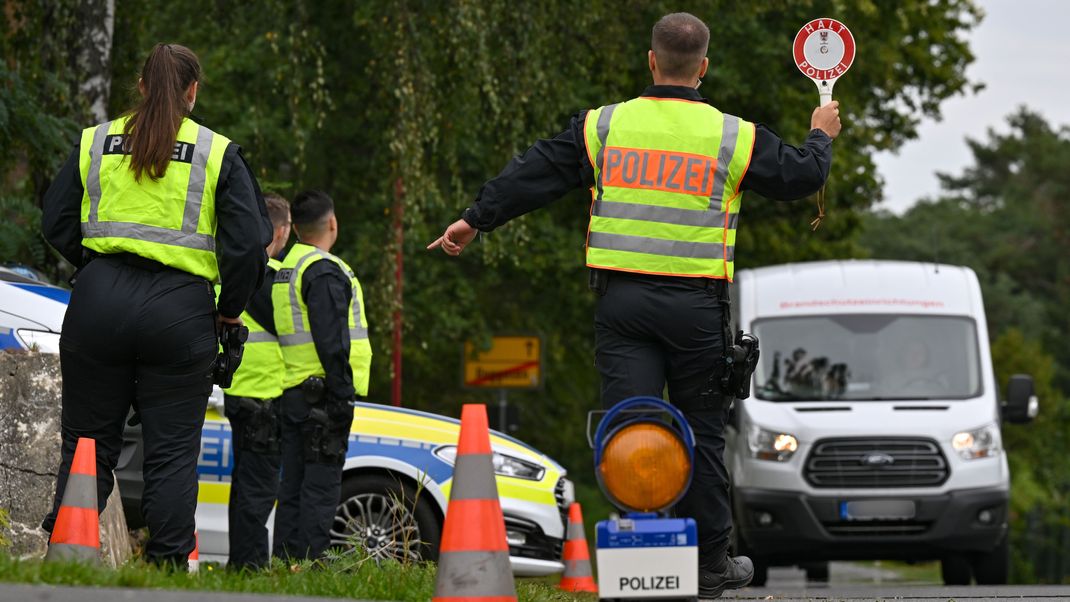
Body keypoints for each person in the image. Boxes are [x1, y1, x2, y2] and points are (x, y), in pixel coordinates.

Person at [428, 12, 840, 598]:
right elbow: (801, 176)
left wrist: (475, 218)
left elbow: (535, 172)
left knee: (632, 426)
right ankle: (710, 563)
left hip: (622, 305)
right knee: (700, 428)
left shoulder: (604, 127)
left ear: (651, 60)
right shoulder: (733, 136)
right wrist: (821, 131)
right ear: (703, 68)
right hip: (696, 308)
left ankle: (639, 546)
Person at [40, 43, 270, 566]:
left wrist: (99, 270)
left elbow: (54, 220)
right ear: (192, 92)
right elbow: (247, 247)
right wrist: (229, 312)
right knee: (171, 455)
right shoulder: (217, 153)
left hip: (98, 306)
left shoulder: (95, 142)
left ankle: (67, 560)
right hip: (180, 312)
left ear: (141, 86)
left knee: (85, 445)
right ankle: (166, 573)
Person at [271, 190, 372, 560]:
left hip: (294, 392)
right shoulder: (324, 270)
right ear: (332, 223)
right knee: (320, 486)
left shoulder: (286, 268)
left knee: (293, 486)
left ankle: (285, 565)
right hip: (324, 397)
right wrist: (342, 393)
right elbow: (332, 341)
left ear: (295, 228)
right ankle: (310, 566)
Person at [221, 193, 291, 570]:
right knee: (259, 489)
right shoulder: (276, 280)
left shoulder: (228, 272)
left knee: (244, 484)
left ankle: (239, 566)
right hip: (268, 396)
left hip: (238, 392)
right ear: (279, 231)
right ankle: (249, 570)